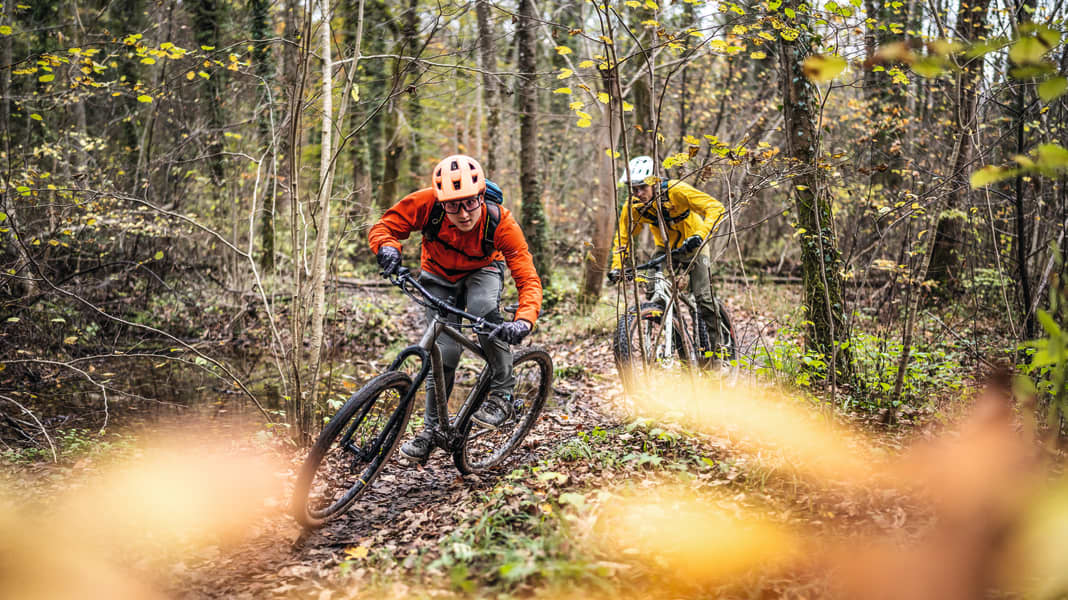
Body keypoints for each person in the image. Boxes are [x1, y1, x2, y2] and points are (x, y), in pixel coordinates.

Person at [368, 154, 542, 462]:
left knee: (484, 310)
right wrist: (387, 248)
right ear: (441, 201)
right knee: (443, 352)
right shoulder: (426, 204)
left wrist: (523, 321)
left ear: (480, 195)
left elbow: (527, 275)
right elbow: (386, 226)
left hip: (483, 271)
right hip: (438, 275)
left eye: (470, 202)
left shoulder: (500, 220)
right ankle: (430, 432)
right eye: (452, 205)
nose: (462, 213)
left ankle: (502, 393)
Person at [608, 155, 727, 347]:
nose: (638, 193)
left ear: (654, 182)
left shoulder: (676, 191)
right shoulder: (633, 207)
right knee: (652, 292)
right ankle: (676, 338)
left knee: (703, 299)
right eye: (634, 189)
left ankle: (719, 349)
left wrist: (700, 234)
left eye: (642, 187)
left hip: (694, 245)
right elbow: (623, 238)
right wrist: (617, 267)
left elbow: (716, 207)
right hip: (665, 249)